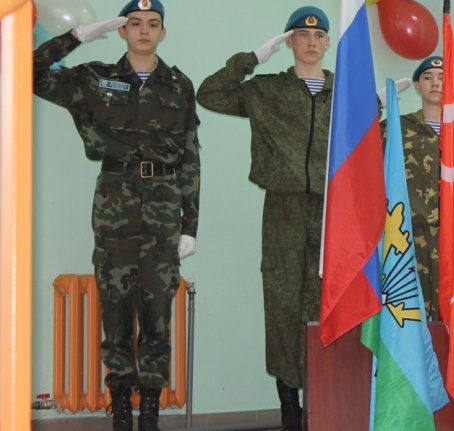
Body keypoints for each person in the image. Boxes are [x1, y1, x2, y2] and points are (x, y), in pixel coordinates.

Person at [32, 1, 201, 430]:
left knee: (158, 313)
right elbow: (28, 72)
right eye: (134, 23)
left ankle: (150, 409)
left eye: (153, 24)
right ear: (122, 32)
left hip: (163, 206)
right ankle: (121, 405)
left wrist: (190, 225)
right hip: (114, 204)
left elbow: (190, 157)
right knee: (116, 310)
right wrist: (74, 38)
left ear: (163, 32)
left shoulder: (179, 85)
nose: (144, 30)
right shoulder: (95, 79)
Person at [195, 6, 331, 430]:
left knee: (327, 303)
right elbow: (209, 94)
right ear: (289, 42)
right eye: (301, 35)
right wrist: (251, 58)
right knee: (283, 302)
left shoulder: (345, 93)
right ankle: (290, 407)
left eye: (318, 35)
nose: (311, 42)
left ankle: (325, 401)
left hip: (331, 209)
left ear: (327, 42)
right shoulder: (267, 90)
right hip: (283, 208)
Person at [380, 56, 454, 320]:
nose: (436, 83)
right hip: (411, 237)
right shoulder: (396, 128)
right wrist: (376, 103)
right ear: (416, 85)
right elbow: (357, 144)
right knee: (412, 317)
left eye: (443, 77)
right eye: (427, 77)